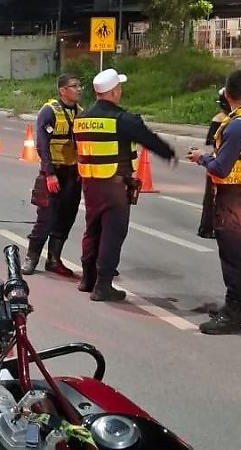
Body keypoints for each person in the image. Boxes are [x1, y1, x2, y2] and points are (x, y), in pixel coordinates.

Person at [73, 69, 176, 302]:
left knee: (92, 230)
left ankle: (87, 279)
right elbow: (149, 139)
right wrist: (169, 154)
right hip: (114, 185)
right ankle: (103, 286)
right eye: (119, 88)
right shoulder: (122, 119)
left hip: (90, 184)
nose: (120, 92)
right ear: (114, 92)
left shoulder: (82, 118)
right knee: (113, 233)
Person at [188, 70, 241, 335]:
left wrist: (201, 158)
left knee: (234, 253)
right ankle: (238, 306)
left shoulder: (238, 124)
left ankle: (233, 314)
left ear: (226, 94)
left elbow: (221, 167)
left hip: (234, 195)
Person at [22, 74, 84, 276]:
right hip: (54, 172)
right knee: (46, 218)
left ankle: (54, 260)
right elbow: (42, 144)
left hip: (73, 174)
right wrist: (50, 173)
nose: (79, 89)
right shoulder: (49, 111)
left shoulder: (81, 113)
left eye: (79, 85)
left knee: (67, 218)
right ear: (62, 90)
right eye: (74, 86)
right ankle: (31, 258)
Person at [197, 88, 230, 239]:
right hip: (233, 163)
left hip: (218, 161)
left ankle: (208, 228)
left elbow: (210, 143)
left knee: (212, 197)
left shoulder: (219, 119)